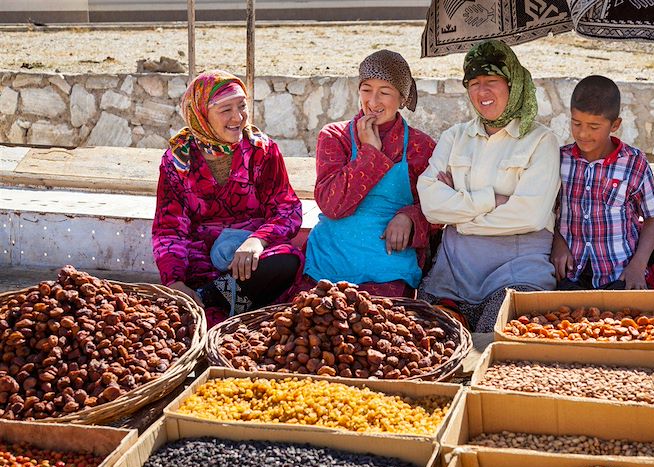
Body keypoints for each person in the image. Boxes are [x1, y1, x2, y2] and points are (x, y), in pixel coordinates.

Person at [416, 40, 560, 332]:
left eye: (492, 81)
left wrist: (460, 217)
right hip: (453, 274)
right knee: (430, 341)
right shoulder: (455, 136)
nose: (482, 92)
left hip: (517, 271)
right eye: (474, 83)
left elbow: (529, 215)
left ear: (513, 84)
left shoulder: (541, 141)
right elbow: (431, 205)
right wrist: (493, 199)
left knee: (495, 341)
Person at [152, 70, 303, 326]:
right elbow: (169, 229)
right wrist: (175, 281)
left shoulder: (261, 152)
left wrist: (258, 240)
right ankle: (220, 299)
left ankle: (214, 298)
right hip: (200, 261)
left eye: (242, 106)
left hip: (249, 262)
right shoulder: (177, 161)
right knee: (199, 320)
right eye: (226, 110)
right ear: (201, 115)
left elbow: (287, 209)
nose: (238, 117)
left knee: (287, 259)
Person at [299, 49, 437, 297]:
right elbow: (332, 205)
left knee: (381, 331)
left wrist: (410, 216)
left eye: (384, 92)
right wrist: (371, 153)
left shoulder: (422, 146)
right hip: (329, 260)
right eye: (366, 89)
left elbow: (438, 212)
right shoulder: (335, 136)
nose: (373, 102)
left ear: (402, 98)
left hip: (388, 265)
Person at [551, 75, 654, 291]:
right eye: (576, 123)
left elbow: (652, 218)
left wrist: (638, 266)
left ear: (615, 125)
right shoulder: (559, 160)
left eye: (594, 127)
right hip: (569, 273)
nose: (583, 133)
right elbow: (545, 211)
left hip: (620, 274)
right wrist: (557, 241)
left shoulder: (634, 163)